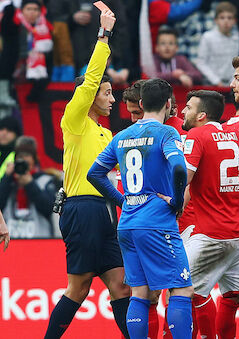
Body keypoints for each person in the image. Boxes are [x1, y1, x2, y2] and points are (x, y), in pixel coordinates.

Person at [44, 9, 131, 339]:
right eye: (107, 93)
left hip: (108, 213)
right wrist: (104, 36)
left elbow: (126, 171)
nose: (112, 99)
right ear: (89, 97)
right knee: (78, 289)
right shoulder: (75, 121)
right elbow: (92, 77)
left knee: (121, 286)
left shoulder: (107, 135)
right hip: (81, 209)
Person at [87, 78, 193, 339]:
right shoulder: (166, 133)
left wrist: (123, 200)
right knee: (181, 289)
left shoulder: (122, 135)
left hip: (128, 224)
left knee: (140, 293)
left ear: (142, 104)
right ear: (168, 105)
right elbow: (179, 168)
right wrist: (177, 200)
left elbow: (95, 174)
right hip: (157, 223)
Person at [180, 90, 239, 339]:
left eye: (188, 107)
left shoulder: (195, 135)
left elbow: (184, 179)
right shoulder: (237, 136)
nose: (184, 111)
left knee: (179, 289)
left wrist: (169, 205)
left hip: (211, 237)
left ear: (202, 115)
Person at [0, 136, 58, 239]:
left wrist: (30, 184)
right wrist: (6, 178)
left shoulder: (45, 180)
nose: (23, 159)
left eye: (27, 155)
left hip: (40, 239)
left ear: (34, 159)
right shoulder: (9, 181)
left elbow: (50, 208)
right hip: (10, 240)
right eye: (20, 156)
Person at [194, 1, 239, 86]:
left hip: (231, 84)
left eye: (229, 18)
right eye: (222, 18)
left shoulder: (237, 39)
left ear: (235, 21)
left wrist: (233, 80)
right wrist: (216, 81)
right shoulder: (207, 37)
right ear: (216, 20)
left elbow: (236, 64)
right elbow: (201, 62)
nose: (226, 21)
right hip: (210, 84)